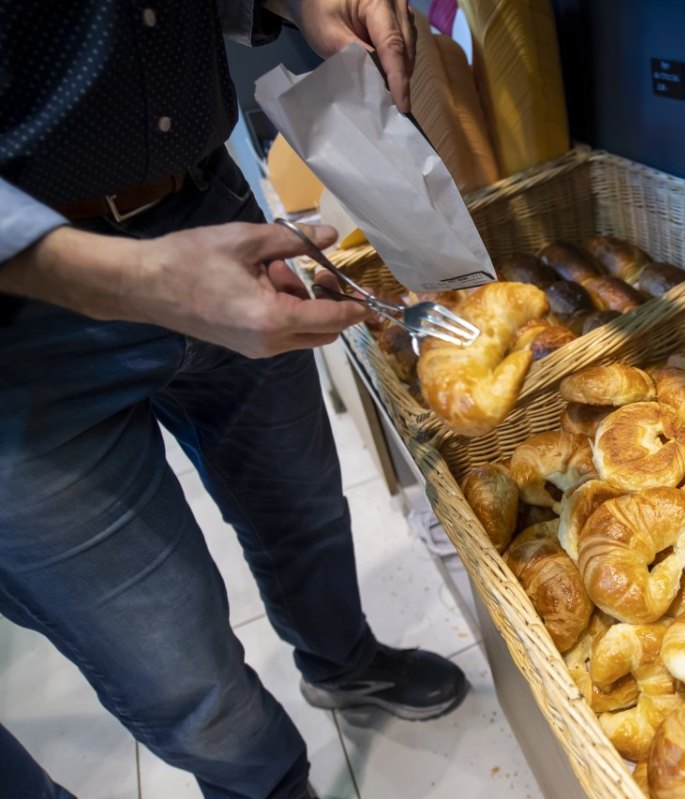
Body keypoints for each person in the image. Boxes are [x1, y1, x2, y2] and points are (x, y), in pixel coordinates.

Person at [0, 2, 469, 797]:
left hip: (207, 204)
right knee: (174, 658)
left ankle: (343, 664)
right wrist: (128, 278)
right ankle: (270, 787)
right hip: (19, 322)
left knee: (306, 506)